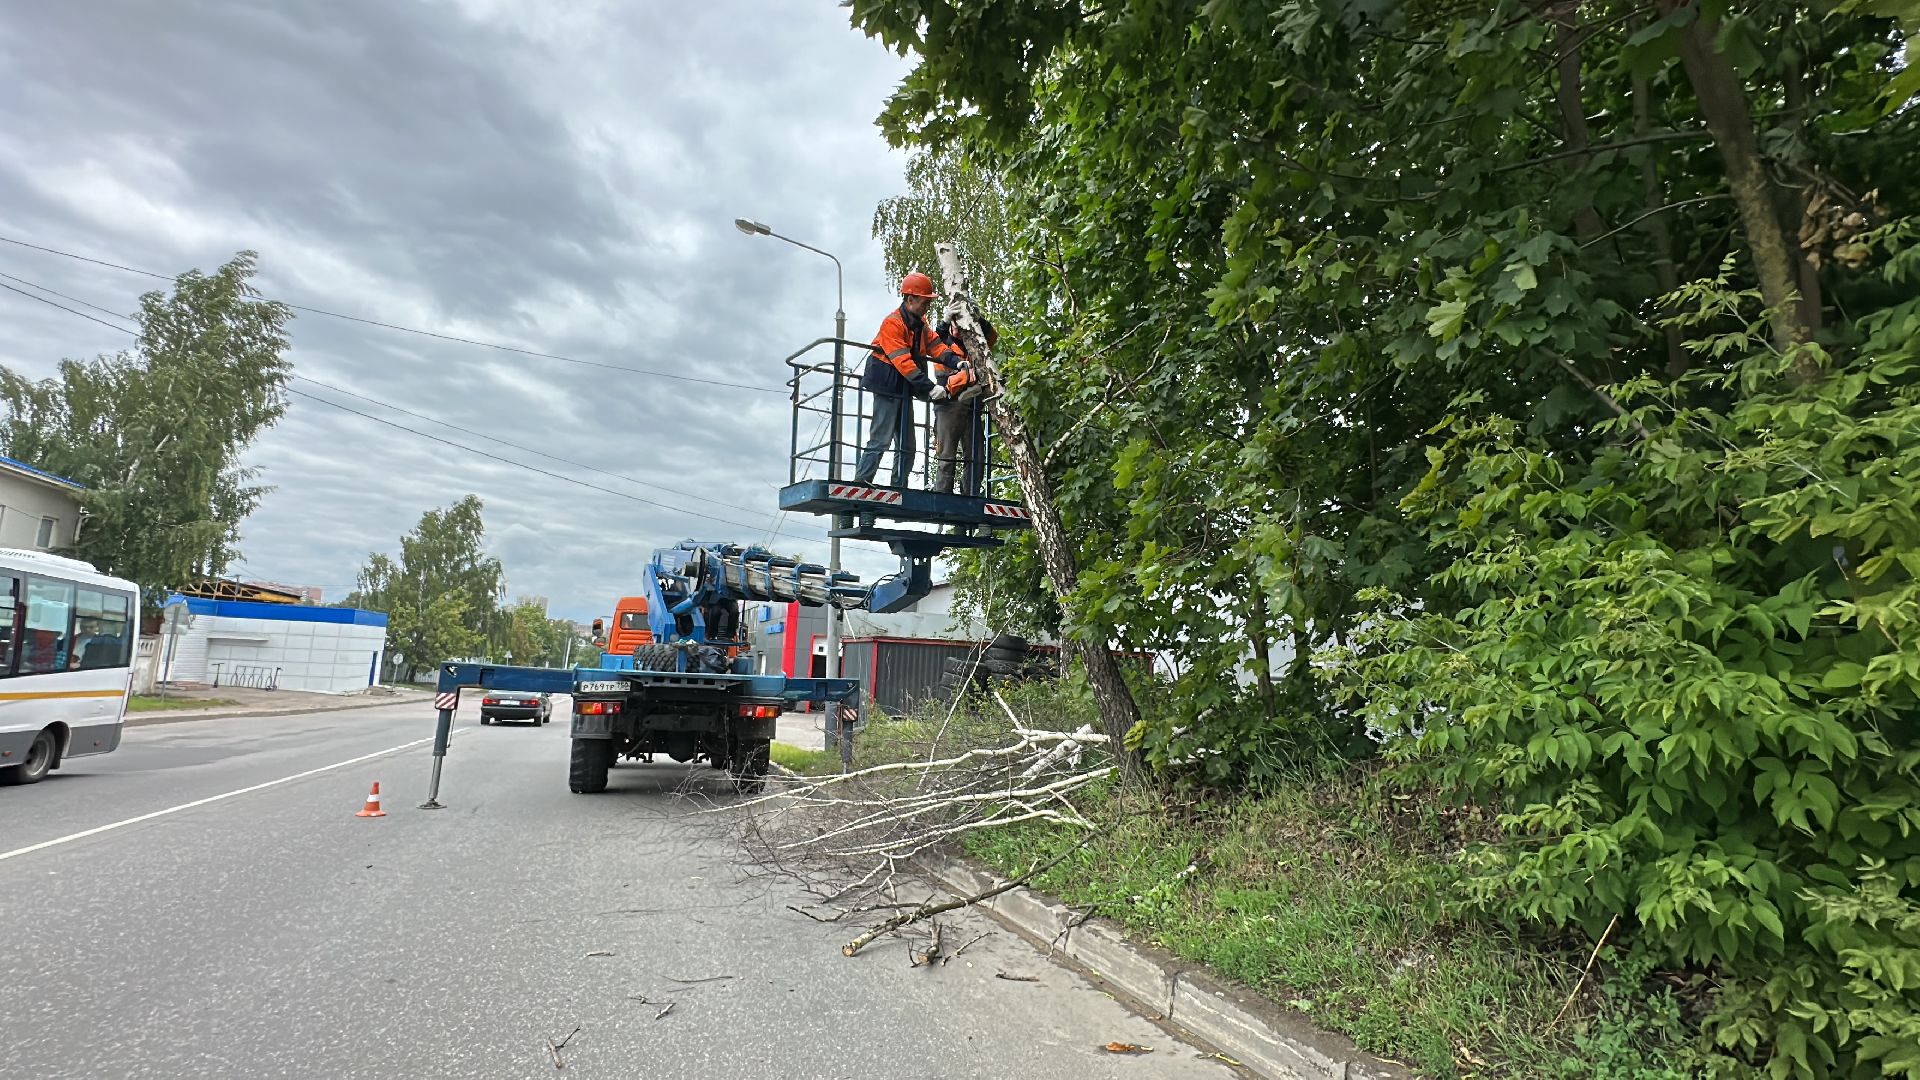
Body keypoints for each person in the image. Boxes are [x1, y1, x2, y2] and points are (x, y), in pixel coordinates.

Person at [852, 272, 942, 491]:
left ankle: (899, 487)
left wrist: (956, 362)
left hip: (903, 389)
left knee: (907, 446)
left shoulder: (920, 325)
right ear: (910, 299)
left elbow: (936, 346)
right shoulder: (892, 323)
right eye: (925, 302)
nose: (927, 307)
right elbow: (903, 362)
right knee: (880, 439)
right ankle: (861, 483)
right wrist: (930, 388)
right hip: (887, 387)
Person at [930, 315, 997, 498]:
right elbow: (934, 337)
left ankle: (971, 494)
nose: (958, 330)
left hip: (971, 405)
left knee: (976, 456)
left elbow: (992, 337)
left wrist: (978, 318)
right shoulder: (942, 341)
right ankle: (942, 495)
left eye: (962, 325)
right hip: (947, 402)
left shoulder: (975, 342)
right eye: (955, 325)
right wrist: (944, 322)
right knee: (946, 455)